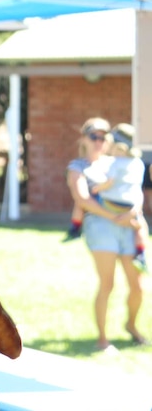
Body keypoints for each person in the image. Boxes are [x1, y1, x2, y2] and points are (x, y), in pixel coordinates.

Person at [66, 117, 149, 352]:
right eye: (95, 136)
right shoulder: (77, 167)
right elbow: (83, 199)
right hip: (101, 227)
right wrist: (114, 217)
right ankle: (103, 339)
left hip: (129, 226)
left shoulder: (118, 161)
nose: (100, 141)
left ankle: (131, 325)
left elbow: (135, 188)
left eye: (104, 137)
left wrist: (134, 211)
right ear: (84, 138)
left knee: (138, 284)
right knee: (108, 283)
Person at [91, 123, 148, 273]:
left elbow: (109, 181)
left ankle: (76, 227)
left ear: (119, 147)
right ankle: (141, 253)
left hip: (111, 204)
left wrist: (97, 188)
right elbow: (137, 188)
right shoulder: (138, 163)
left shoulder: (115, 162)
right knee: (140, 227)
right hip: (130, 206)